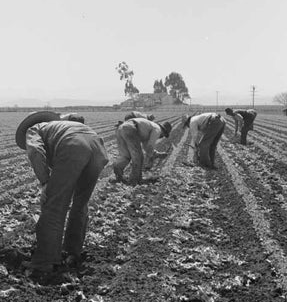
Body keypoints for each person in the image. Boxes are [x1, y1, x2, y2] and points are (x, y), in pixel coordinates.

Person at [16, 111, 108, 279]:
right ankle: (72, 252)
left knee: (54, 205)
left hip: (73, 146)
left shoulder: (33, 129)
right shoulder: (59, 126)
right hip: (98, 148)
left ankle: (44, 262)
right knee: (80, 203)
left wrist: (45, 182)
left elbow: (35, 152)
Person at [111, 115, 172, 184]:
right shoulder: (157, 129)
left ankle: (118, 173)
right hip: (130, 128)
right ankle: (135, 180)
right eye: (163, 136)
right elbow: (149, 146)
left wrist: (156, 154)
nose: (161, 137)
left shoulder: (150, 127)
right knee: (139, 157)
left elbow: (146, 146)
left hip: (121, 128)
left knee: (125, 155)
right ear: (164, 132)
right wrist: (150, 158)